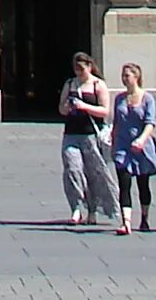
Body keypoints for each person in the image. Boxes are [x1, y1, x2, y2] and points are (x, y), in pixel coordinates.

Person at [57, 51, 118, 226]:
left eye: (81, 68)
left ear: (89, 67)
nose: (78, 72)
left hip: (91, 135)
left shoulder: (98, 85)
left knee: (94, 174)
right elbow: (61, 109)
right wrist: (68, 106)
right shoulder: (70, 84)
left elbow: (105, 111)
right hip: (71, 133)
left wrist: (85, 106)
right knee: (72, 169)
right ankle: (76, 207)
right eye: (76, 68)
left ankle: (92, 209)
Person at [110, 63, 156, 234]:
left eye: (127, 75)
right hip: (122, 146)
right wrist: (112, 139)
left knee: (143, 184)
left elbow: (150, 122)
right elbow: (116, 121)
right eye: (123, 75)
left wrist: (142, 139)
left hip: (141, 148)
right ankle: (126, 222)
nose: (124, 79)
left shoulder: (147, 99)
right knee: (124, 184)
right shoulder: (119, 98)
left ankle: (144, 218)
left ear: (136, 77)